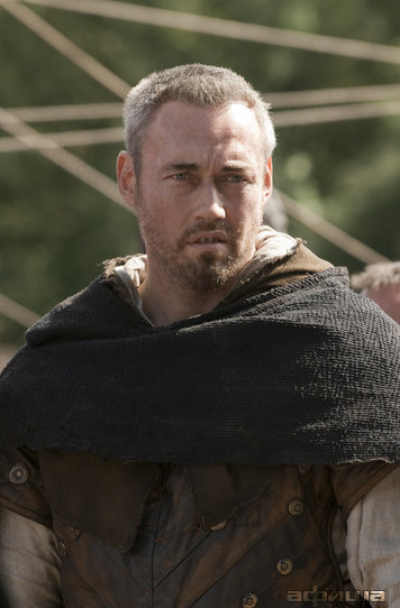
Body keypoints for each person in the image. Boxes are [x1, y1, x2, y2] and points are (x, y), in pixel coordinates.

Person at [0, 64, 399, 608]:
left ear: (266, 180)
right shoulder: (57, 371)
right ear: (129, 179)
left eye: (233, 177)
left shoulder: (351, 358)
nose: (211, 206)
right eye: (182, 176)